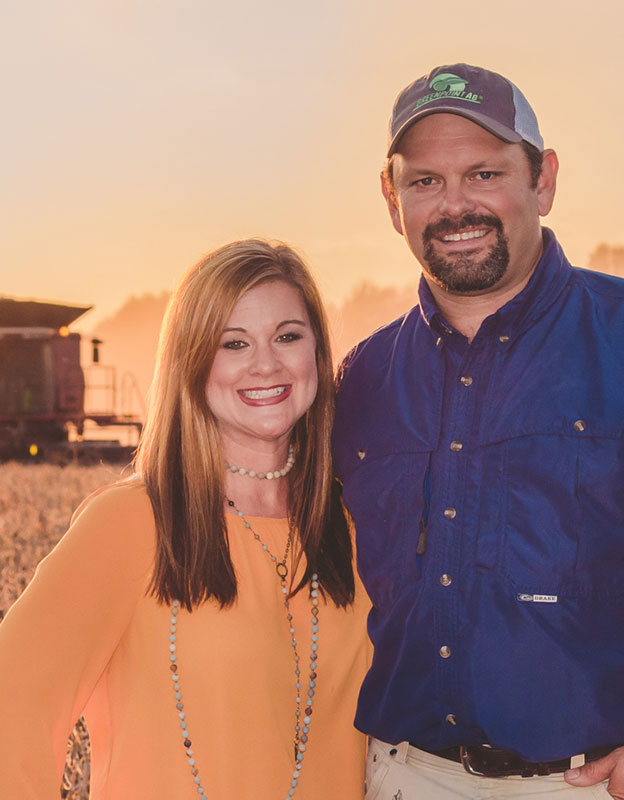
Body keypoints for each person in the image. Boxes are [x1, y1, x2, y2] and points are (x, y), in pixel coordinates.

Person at [333, 63, 624, 800]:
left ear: (543, 181)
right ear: (391, 200)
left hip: (599, 784)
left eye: (484, 173)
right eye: (424, 181)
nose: (455, 205)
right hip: (402, 777)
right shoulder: (361, 380)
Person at [0, 239, 372, 799]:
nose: (266, 363)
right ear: (191, 360)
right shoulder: (128, 524)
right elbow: (13, 707)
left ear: (317, 354)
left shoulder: (351, 526)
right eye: (234, 343)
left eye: (288, 336)